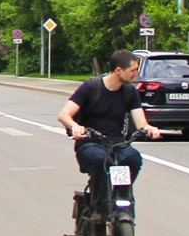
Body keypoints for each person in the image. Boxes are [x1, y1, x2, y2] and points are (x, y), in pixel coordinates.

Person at [59, 49, 150, 221]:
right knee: (101, 160)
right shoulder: (91, 87)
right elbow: (64, 115)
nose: (136, 74)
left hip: (116, 144)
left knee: (133, 158)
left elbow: (140, 121)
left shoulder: (130, 92)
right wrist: (76, 127)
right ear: (119, 70)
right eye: (133, 70)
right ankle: (99, 207)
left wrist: (148, 128)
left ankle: (121, 198)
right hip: (89, 143)